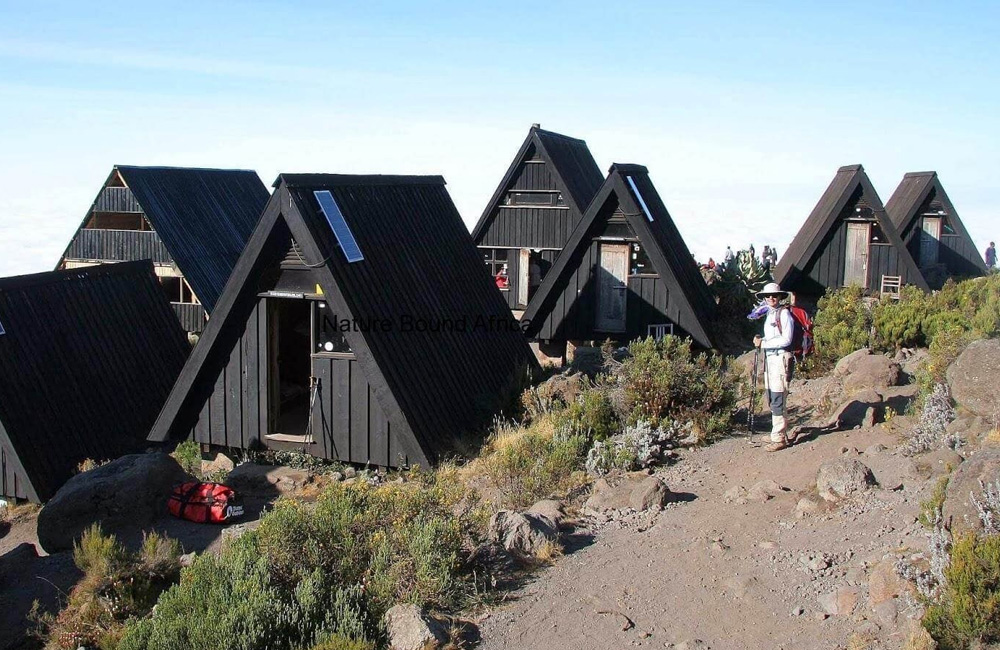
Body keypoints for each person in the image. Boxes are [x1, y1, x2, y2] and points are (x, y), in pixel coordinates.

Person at [753, 282, 795, 452]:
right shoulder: (771, 315)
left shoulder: (784, 315)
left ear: (779, 297)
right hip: (771, 359)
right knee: (772, 396)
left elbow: (787, 339)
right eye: (767, 296)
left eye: (774, 295)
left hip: (780, 359)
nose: (771, 298)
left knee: (778, 397)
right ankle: (777, 433)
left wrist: (763, 343)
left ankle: (778, 438)